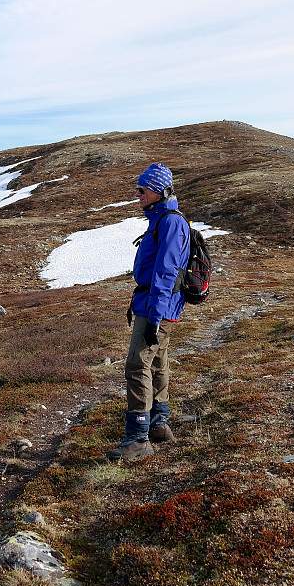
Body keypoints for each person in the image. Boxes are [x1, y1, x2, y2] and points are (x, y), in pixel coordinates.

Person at [107, 163, 190, 462]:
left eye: (142, 190)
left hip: (156, 307)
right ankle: (158, 426)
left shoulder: (169, 222)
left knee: (136, 366)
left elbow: (166, 272)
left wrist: (154, 317)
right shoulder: (162, 219)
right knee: (156, 363)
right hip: (155, 305)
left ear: (158, 190)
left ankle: (138, 437)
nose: (137, 194)